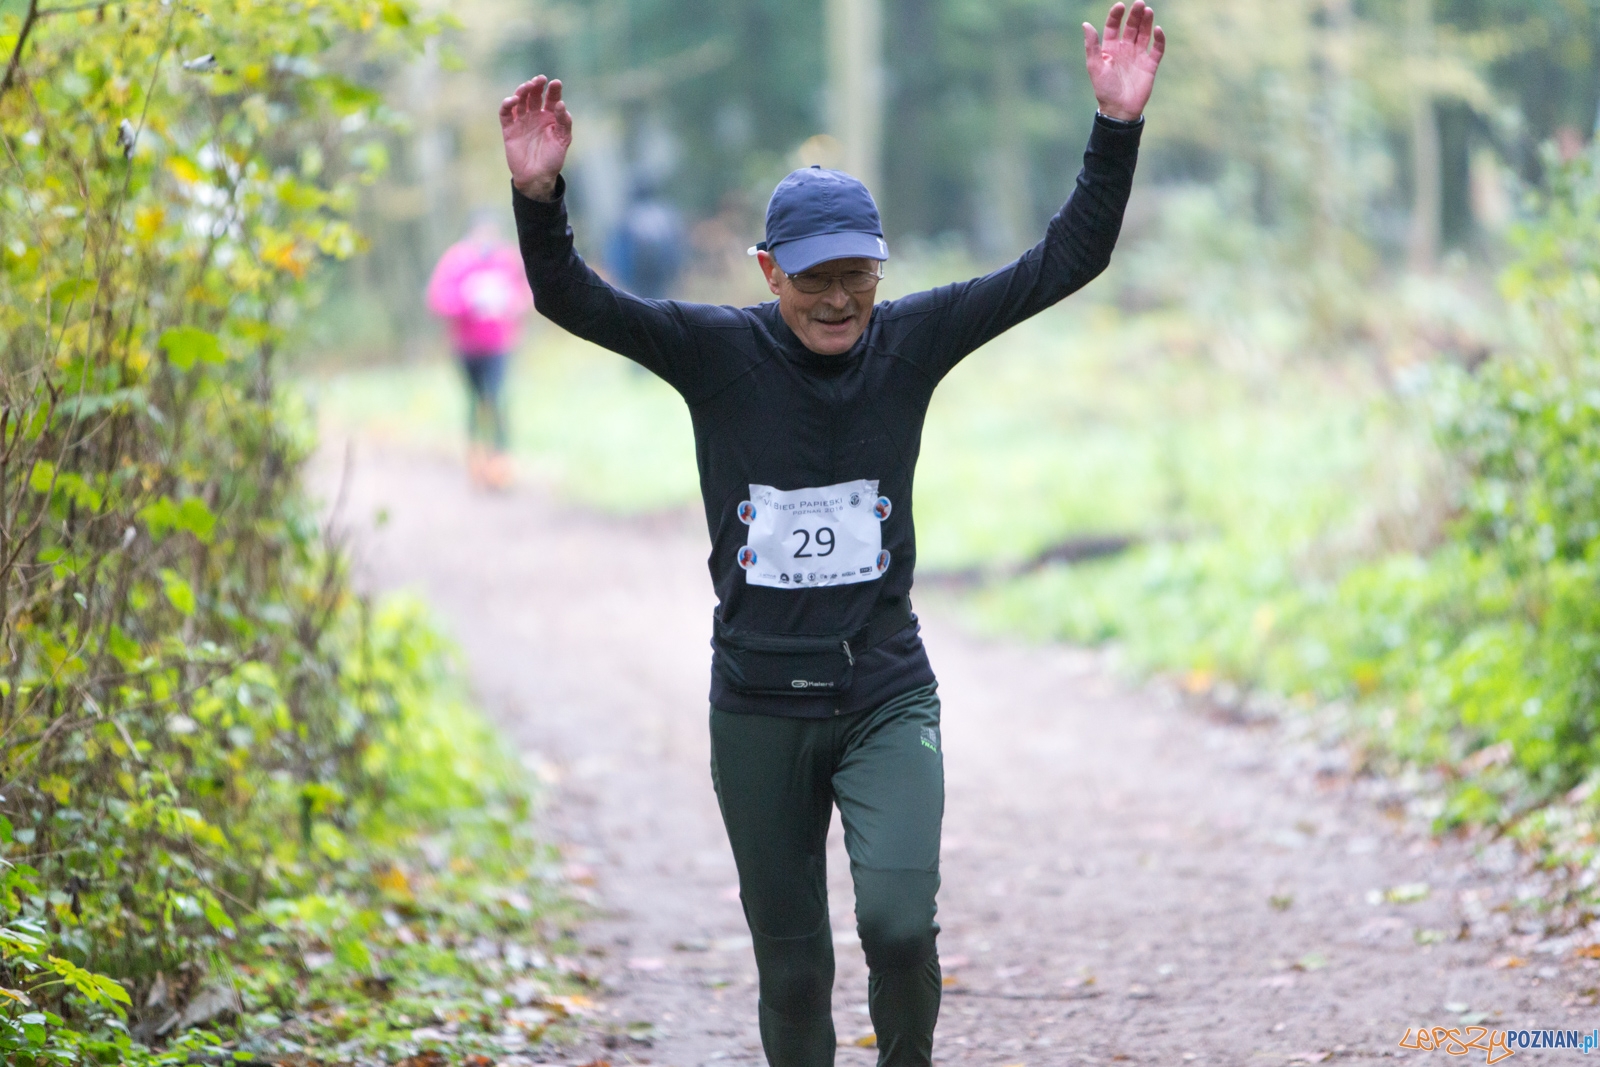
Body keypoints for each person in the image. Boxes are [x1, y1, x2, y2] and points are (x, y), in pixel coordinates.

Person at [498, 5, 1164, 1064]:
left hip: (883, 690)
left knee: (899, 928)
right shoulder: (713, 352)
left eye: (857, 272)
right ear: (768, 272)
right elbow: (570, 296)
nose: (840, 297)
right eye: (815, 277)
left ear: (881, 269)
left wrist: (1115, 125)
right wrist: (540, 198)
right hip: (758, 704)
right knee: (794, 970)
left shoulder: (912, 339)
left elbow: (1065, 258)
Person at [426, 211, 533, 489]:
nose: (488, 239)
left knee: (496, 400)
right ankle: (476, 461)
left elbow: (526, 294)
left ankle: (501, 464)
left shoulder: (506, 259)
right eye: (482, 233)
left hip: (499, 344)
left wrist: (509, 303)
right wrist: (469, 302)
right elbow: (438, 298)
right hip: (466, 346)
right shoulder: (456, 260)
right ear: (472, 234)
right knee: (475, 402)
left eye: (492, 233)